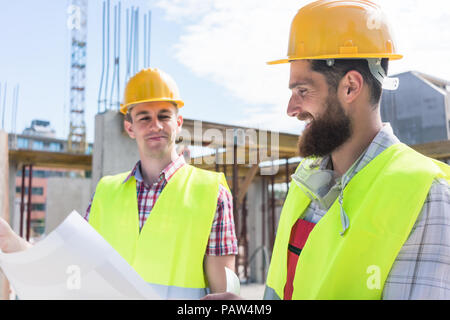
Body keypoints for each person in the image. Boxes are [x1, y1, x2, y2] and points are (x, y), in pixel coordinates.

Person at [205, 0, 450, 300]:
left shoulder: (425, 196)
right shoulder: (305, 181)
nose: (291, 109)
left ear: (350, 87)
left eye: (303, 91)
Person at [0, 68, 238, 300]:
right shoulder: (106, 191)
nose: (155, 125)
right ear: (129, 128)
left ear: (178, 122)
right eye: (144, 118)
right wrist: (14, 244)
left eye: (164, 116)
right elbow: (69, 264)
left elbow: (223, 294)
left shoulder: (211, 191)